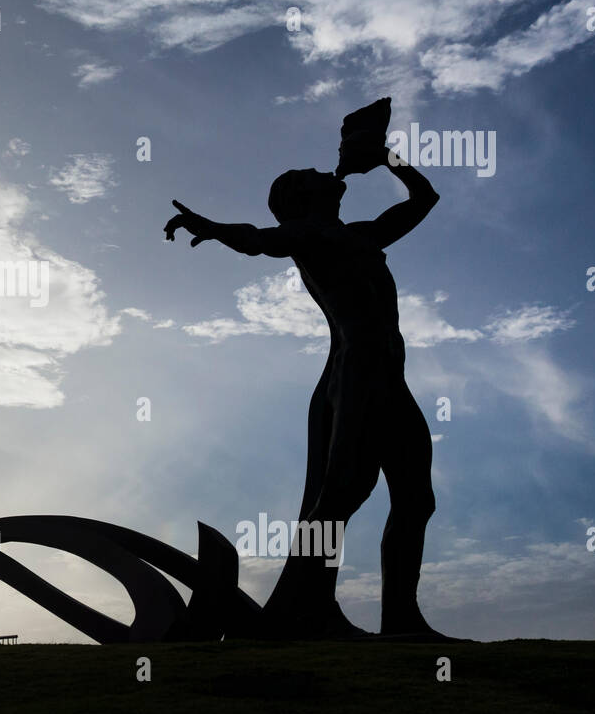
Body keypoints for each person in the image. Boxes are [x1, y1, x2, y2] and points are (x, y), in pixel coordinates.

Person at [163, 98, 447, 639]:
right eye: (306, 174)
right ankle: (303, 608)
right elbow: (257, 240)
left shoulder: (359, 235)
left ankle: (401, 620)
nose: (323, 168)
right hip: (357, 373)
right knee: (343, 494)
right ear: (300, 199)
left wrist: (387, 157)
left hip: (388, 374)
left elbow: (425, 198)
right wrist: (212, 226)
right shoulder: (305, 234)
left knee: (415, 498)